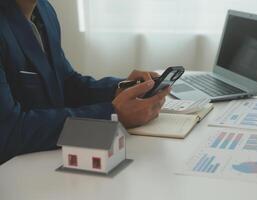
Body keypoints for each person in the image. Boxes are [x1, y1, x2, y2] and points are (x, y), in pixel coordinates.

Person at [0, 0, 170, 164]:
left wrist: (121, 89)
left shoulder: (44, 10)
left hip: (44, 159)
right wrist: (112, 116)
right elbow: (8, 134)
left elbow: (66, 84)